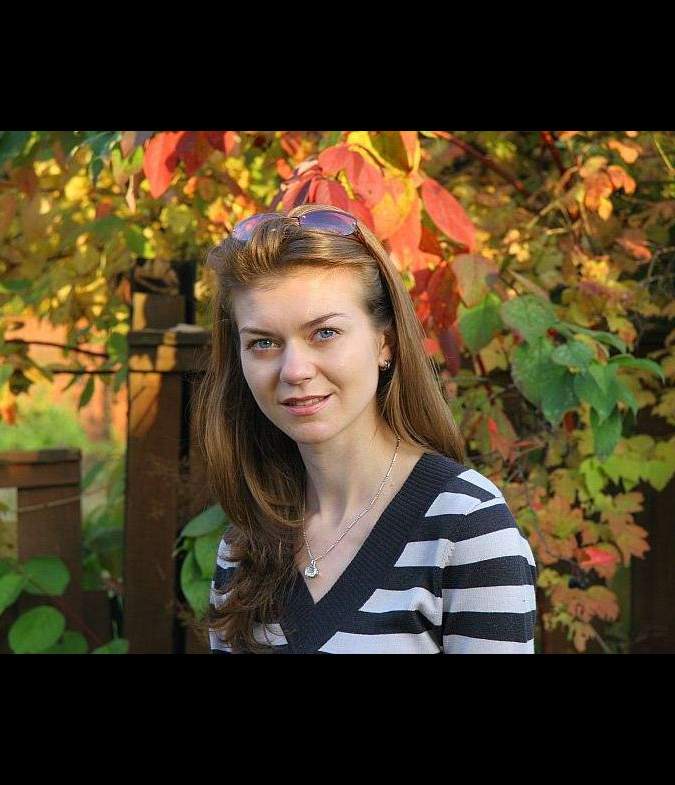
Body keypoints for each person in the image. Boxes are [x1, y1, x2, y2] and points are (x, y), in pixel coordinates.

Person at [194, 203, 537, 654]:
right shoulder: (244, 549)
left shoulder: (467, 528)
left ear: (384, 343)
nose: (294, 370)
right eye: (263, 342)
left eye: (325, 333)